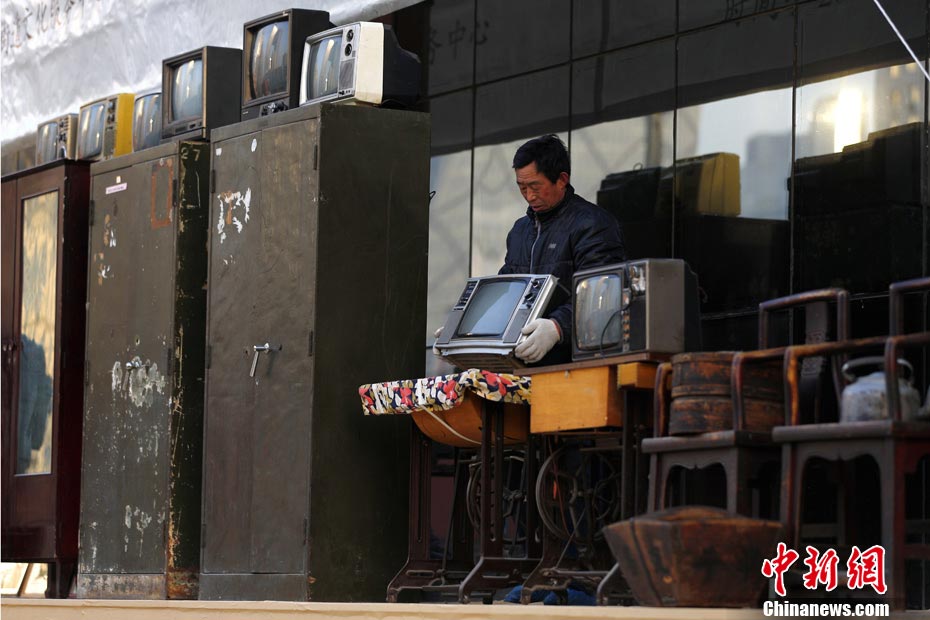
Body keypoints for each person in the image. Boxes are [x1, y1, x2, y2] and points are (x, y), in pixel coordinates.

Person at [499, 134, 626, 366]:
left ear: (562, 180)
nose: (529, 196)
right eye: (522, 187)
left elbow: (602, 294)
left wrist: (557, 327)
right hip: (521, 361)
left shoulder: (593, 224)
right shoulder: (519, 231)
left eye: (535, 187)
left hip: (574, 361)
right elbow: (505, 291)